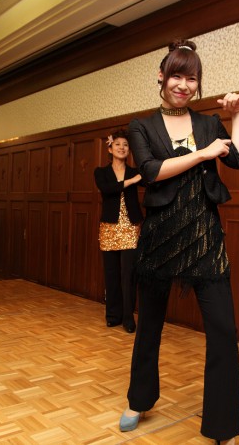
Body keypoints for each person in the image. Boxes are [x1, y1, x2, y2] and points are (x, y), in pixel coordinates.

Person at [119, 39, 239, 445]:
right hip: (160, 238)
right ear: (161, 76)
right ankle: (139, 400)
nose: (183, 85)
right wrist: (202, 154)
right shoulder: (141, 126)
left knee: (223, 330)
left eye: (191, 79)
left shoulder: (209, 123)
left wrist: (238, 115)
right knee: (149, 327)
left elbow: (238, 159)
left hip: (205, 238)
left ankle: (222, 426)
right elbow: (151, 171)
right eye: (176, 76)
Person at [94, 129, 143, 333]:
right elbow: (108, 189)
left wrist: (137, 176)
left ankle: (128, 318)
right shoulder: (101, 172)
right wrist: (131, 182)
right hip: (109, 228)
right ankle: (113, 315)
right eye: (118, 144)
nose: (122, 148)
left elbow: (151, 176)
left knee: (128, 274)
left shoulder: (136, 171)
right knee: (111, 273)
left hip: (130, 227)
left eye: (125, 145)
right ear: (110, 148)